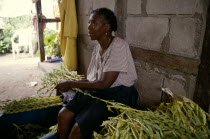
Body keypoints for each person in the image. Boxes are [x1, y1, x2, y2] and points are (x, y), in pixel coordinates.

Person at [55, 7, 139, 139]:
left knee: (77, 130)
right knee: (63, 114)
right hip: (100, 91)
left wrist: (71, 83)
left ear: (107, 27)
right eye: (89, 22)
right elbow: (92, 80)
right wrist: (68, 85)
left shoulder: (119, 46)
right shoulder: (97, 48)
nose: (89, 27)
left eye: (94, 23)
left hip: (118, 96)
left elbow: (105, 83)